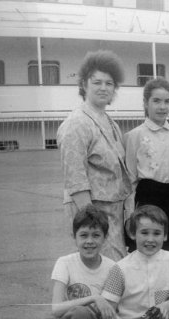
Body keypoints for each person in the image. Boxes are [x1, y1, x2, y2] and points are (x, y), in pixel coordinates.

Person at [57, 49, 131, 261]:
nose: (103, 88)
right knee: (100, 267)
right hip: (91, 212)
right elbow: (76, 180)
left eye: (109, 83)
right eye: (97, 82)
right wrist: (92, 223)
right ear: (84, 84)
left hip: (113, 212)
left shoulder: (110, 122)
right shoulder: (76, 123)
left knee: (114, 267)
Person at [125, 78, 169, 251]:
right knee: (147, 248)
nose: (162, 107)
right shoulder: (135, 135)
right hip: (148, 198)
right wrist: (130, 214)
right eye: (156, 101)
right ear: (146, 103)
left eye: (167, 101)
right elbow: (130, 180)